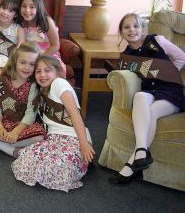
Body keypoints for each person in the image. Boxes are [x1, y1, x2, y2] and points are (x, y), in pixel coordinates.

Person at [109, 13, 185, 185]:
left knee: (150, 112)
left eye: (135, 26)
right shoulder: (126, 56)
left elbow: (181, 57)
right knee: (140, 96)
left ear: (142, 28)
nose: (132, 30)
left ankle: (131, 164)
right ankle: (142, 152)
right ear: (121, 32)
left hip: (170, 91)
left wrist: (169, 73)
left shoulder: (157, 40)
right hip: (149, 92)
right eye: (126, 27)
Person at [12, 55, 94, 192]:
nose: (42, 75)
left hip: (75, 138)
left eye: (47, 70)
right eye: (38, 71)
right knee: (24, 163)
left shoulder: (59, 84)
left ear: (56, 72)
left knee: (57, 170)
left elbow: (75, 115)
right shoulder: (41, 90)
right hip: (54, 140)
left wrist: (84, 145)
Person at [18, 0, 66, 77]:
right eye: (24, 6)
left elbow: (55, 45)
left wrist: (41, 58)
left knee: (57, 68)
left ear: (39, 8)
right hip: (29, 55)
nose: (27, 10)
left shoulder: (46, 21)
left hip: (48, 53)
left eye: (32, 7)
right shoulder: (20, 23)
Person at [0, 0, 25, 73]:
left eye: (10, 11)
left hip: (13, 59)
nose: (5, 12)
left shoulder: (18, 29)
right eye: (3, 8)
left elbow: (22, 48)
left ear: (16, 15)